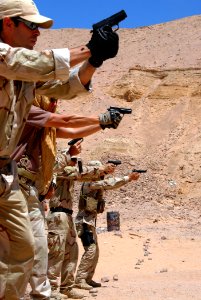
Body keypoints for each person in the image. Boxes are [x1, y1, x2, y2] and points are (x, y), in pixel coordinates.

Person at [0, 0, 119, 298]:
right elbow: (35, 64)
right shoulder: (8, 58)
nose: (37, 32)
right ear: (7, 23)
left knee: (25, 247)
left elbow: (64, 86)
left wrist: (95, 61)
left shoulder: (24, 73)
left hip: (5, 175)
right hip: (15, 179)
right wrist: (90, 47)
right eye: (31, 25)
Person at [11, 95, 123, 300]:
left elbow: (71, 130)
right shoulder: (29, 111)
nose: (55, 104)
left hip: (33, 193)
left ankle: (49, 290)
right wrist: (101, 118)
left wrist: (103, 125)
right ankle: (46, 289)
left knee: (44, 247)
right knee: (25, 248)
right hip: (18, 188)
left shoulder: (46, 131)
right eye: (51, 99)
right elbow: (66, 122)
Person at [47, 145, 116, 299]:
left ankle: (67, 287)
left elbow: (83, 175)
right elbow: (80, 173)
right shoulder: (61, 171)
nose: (74, 162)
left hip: (68, 216)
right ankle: (50, 289)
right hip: (58, 215)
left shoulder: (72, 173)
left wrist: (103, 171)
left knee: (71, 253)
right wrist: (102, 169)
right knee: (56, 254)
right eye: (71, 159)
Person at [74, 161, 140, 290]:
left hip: (90, 222)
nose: (100, 173)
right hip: (84, 222)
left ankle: (87, 278)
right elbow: (109, 183)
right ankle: (80, 279)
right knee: (91, 250)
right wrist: (128, 178)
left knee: (95, 252)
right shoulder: (90, 183)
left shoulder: (94, 182)